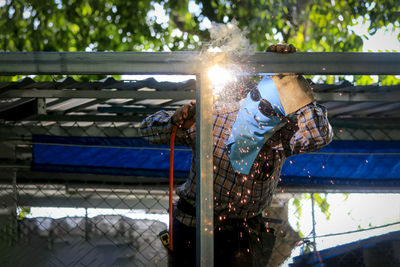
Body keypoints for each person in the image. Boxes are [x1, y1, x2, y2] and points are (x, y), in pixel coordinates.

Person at [139, 44, 333, 266]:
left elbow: (318, 134)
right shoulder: (214, 118)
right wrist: (176, 121)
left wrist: (289, 76)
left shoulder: (284, 131)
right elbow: (146, 129)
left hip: (245, 233)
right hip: (193, 226)